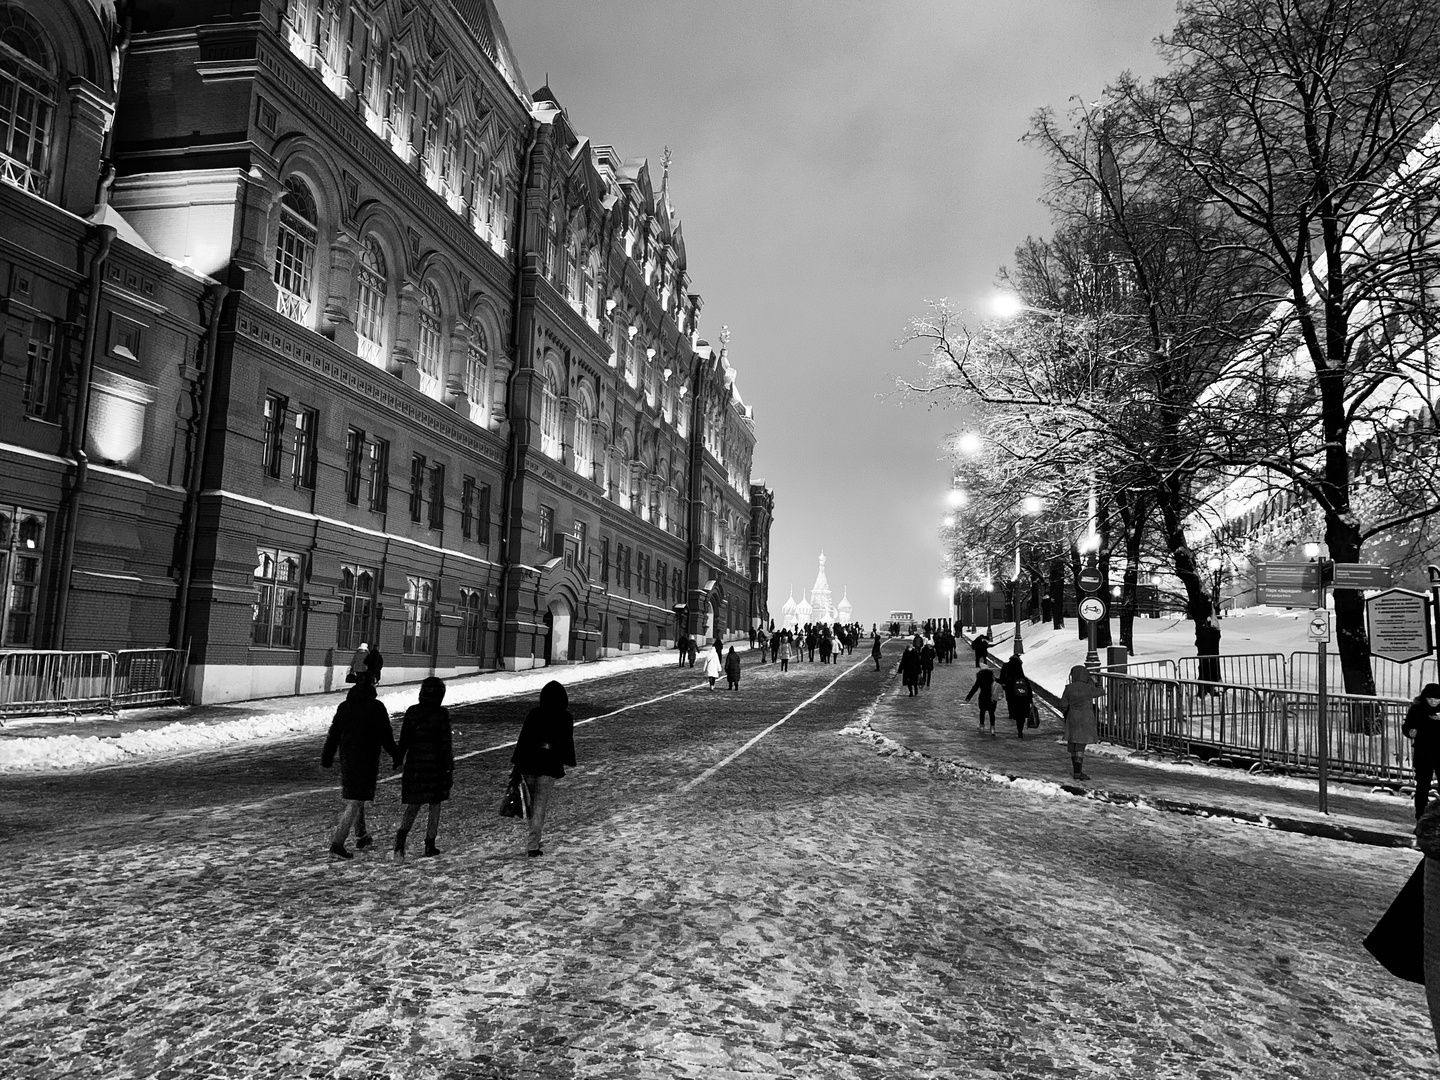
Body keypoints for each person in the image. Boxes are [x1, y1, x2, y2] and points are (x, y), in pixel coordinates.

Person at [320, 681, 397, 859]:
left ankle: (361, 835)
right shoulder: (376, 707)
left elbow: (334, 734)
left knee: (357, 798)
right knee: (355, 800)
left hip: (348, 758)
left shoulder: (345, 707)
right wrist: (396, 755)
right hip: (367, 759)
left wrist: (326, 760)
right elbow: (386, 734)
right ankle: (337, 844)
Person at [511, 680, 576, 858]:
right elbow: (566, 743)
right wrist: (568, 760)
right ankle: (533, 843)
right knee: (540, 804)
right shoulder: (565, 717)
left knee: (532, 804)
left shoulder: (534, 714)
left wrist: (517, 763)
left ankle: (535, 837)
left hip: (529, 763)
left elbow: (523, 739)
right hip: (549, 764)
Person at [392, 676, 453, 859]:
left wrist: (398, 759)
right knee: (435, 805)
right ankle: (429, 843)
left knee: (414, 804)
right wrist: (449, 765)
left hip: (415, 765)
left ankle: (400, 840)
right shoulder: (441, 714)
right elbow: (445, 743)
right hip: (436, 766)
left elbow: (403, 740)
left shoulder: (412, 712)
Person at [1059, 664, 1103, 781]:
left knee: (1073, 744)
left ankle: (1076, 770)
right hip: (1085, 718)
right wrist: (1096, 682)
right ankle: (1078, 772)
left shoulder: (1069, 688)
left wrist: (1066, 713)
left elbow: (1063, 704)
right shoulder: (1088, 688)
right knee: (1080, 746)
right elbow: (1101, 692)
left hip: (1073, 717)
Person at [1404, 683, 1440, 819]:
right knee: (1422, 786)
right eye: (1430, 698)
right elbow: (1408, 726)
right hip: (1423, 751)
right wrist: (1410, 732)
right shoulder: (1417, 709)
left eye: (1437, 699)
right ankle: (1420, 815)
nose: (1433, 702)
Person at [998, 655, 1035, 739]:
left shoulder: (1007, 666)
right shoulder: (1021, 673)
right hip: (1022, 693)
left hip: (1011, 690)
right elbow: (1025, 682)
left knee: (1011, 704)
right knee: (1021, 715)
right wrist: (1030, 698)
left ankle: (1012, 714)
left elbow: (1002, 677)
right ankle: (1020, 730)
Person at [965, 667, 998, 733]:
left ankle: (982, 726)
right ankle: (992, 728)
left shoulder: (980, 679)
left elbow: (975, 688)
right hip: (992, 697)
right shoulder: (993, 679)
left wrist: (969, 697)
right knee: (991, 713)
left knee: (982, 712)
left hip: (983, 696)